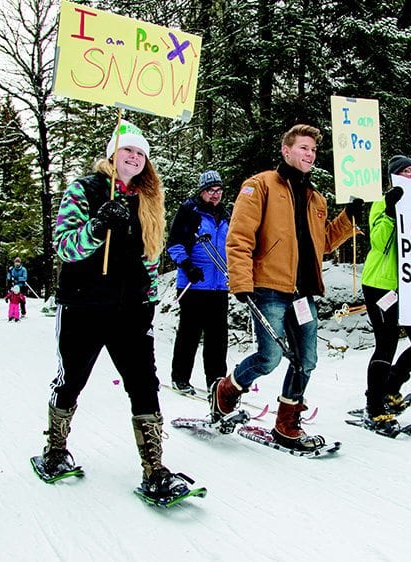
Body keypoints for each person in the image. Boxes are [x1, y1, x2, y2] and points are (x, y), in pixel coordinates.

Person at [37, 119, 193, 498]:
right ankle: (56, 449)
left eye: (141, 153)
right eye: (128, 150)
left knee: (144, 384)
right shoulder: (84, 190)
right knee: (72, 379)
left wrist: (150, 300)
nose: (134, 157)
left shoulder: (148, 200)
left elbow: (150, 259)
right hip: (83, 305)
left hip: (131, 311)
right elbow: (64, 247)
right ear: (113, 152)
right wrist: (96, 226)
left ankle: (154, 468)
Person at [214, 123, 364, 450]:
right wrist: (240, 281)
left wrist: (348, 217)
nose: (310, 154)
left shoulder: (315, 198)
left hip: (303, 291)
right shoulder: (260, 186)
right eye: (303, 148)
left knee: (306, 360)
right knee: (268, 358)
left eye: (313, 150)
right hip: (268, 286)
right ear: (286, 150)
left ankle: (286, 424)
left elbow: (321, 242)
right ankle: (227, 389)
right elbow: (239, 238)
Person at [359, 155, 411, 430]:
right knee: (387, 342)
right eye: (406, 172)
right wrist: (391, 213)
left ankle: (392, 385)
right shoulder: (382, 203)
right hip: (381, 284)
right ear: (395, 177)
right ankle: (374, 404)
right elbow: (379, 243)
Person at [166, 170, 231, 395]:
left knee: (218, 337)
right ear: (201, 191)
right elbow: (174, 244)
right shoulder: (189, 212)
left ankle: (216, 381)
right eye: (210, 191)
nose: (215, 195)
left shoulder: (226, 214)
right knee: (189, 334)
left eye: (218, 190)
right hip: (193, 284)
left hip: (220, 285)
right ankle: (180, 377)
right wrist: (187, 265)